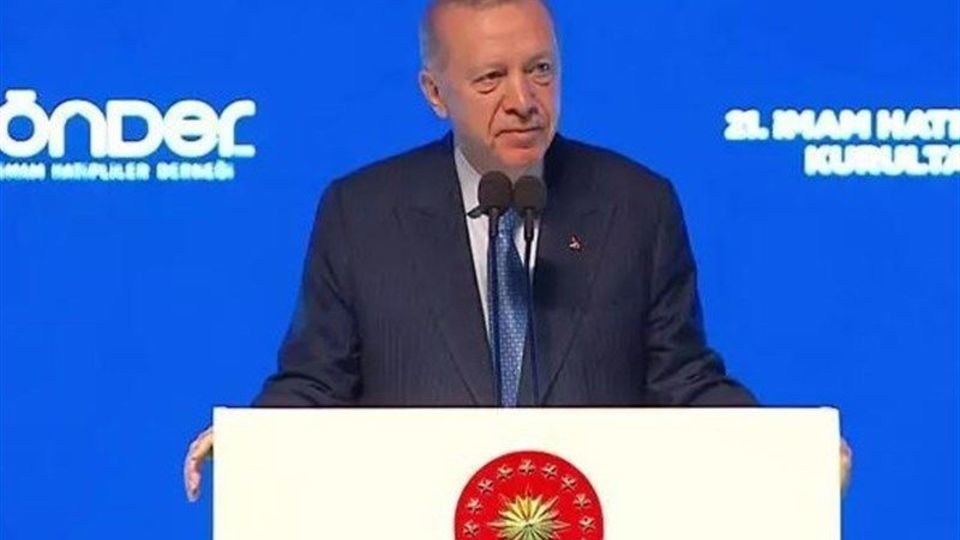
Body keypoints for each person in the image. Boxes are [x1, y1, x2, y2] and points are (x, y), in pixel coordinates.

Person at [184, 0, 852, 501]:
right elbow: (318, 380)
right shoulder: (360, 213)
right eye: (490, 79)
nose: (523, 101)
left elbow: (682, 378)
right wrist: (253, 440)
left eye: (540, 71)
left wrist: (784, 451)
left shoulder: (637, 204)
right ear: (435, 94)